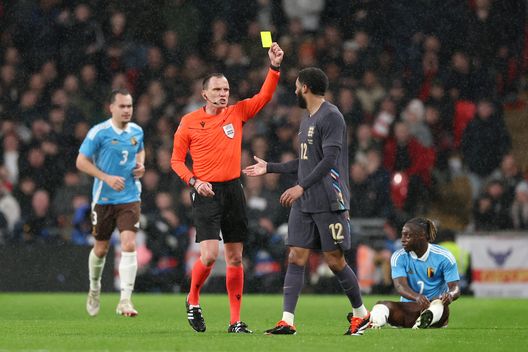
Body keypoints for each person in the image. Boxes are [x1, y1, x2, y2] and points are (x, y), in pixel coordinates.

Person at [243, 67, 370, 336]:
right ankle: (287, 321)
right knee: (296, 256)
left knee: (335, 261)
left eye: (297, 85)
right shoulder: (307, 118)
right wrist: (271, 168)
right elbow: (304, 162)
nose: (294, 90)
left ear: (306, 88)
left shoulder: (332, 116)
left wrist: (300, 186)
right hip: (305, 202)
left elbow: (329, 161)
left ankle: (361, 314)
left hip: (329, 199)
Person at [170, 42, 284, 333]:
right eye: (217, 90)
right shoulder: (189, 122)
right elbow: (175, 161)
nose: (223, 94)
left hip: (233, 190)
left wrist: (274, 67)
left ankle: (235, 321)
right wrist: (195, 181)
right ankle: (192, 298)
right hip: (205, 192)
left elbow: (265, 95)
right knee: (209, 256)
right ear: (204, 94)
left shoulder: (237, 113)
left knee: (235, 257)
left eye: (226, 89)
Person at [76, 88, 145, 317]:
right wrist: (105, 177)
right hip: (104, 198)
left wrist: (140, 166)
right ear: (112, 108)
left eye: (130, 106)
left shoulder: (137, 131)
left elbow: (140, 151)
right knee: (101, 248)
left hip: (130, 196)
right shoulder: (99, 132)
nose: (127, 110)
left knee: (128, 244)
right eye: (123, 106)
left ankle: (125, 300)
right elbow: (81, 161)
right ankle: (94, 288)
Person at [365, 217, 460, 329]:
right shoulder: (398, 256)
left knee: (439, 304)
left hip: (435, 309)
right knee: (383, 304)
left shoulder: (444, 256)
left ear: (421, 236)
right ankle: (374, 321)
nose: (402, 239)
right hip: (408, 309)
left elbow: (455, 287)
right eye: (402, 235)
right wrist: (417, 297)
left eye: (407, 235)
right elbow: (400, 286)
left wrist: (450, 295)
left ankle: (426, 319)